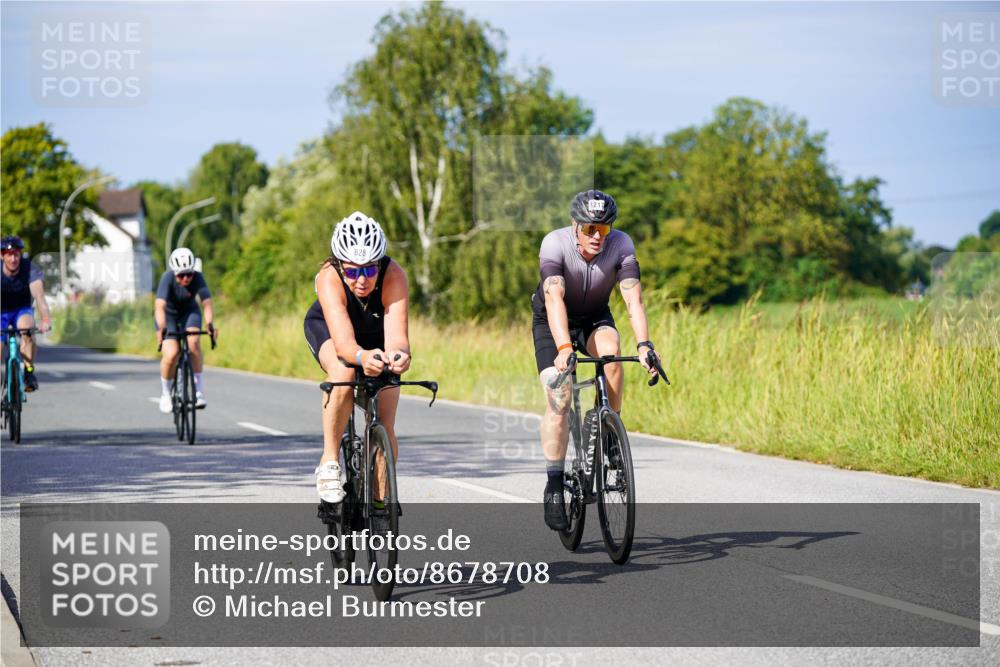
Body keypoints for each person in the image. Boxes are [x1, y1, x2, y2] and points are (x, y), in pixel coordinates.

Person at [531, 190, 661, 530]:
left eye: (603, 230)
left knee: (613, 354)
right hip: (552, 320)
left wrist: (645, 344)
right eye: (590, 229)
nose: (597, 237)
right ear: (575, 225)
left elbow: (633, 300)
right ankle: (555, 484)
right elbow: (554, 298)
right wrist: (563, 348)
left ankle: (609, 431)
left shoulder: (622, 244)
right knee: (559, 397)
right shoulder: (554, 244)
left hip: (593, 318)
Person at [304, 211, 410, 503]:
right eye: (352, 271)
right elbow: (344, 343)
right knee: (343, 374)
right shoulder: (329, 277)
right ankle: (329, 461)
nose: (362, 280)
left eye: (369, 270)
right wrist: (362, 357)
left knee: (385, 422)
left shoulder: (395, 275)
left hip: (376, 337)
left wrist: (399, 356)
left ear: (380, 264)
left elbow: (398, 337)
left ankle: (378, 503)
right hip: (331, 332)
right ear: (340, 266)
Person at [155, 248, 217, 413]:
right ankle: (166, 393)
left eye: (189, 274)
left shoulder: (198, 277)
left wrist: (209, 324)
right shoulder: (167, 278)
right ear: (174, 273)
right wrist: (161, 328)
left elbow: (207, 303)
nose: (186, 279)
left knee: (194, 343)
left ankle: (199, 391)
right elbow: (160, 306)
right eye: (181, 275)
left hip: (189, 312)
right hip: (168, 315)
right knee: (172, 353)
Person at [1, 236, 51, 391]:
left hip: (21, 309)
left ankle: (29, 372)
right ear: (2, 256)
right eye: (9, 254)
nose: (13, 258)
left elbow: (39, 297)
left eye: (16, 254)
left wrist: (45, 319)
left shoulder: (29, 269)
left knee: (27, 329)